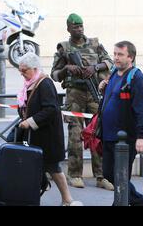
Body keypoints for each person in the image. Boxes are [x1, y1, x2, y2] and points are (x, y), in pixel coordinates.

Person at [50, 13, 114, 190]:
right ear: (68, 28)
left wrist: (95, 67)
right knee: (75, 135)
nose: (79, 29)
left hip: (94, 93)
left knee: (98, 133)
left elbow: (109, 62)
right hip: (75, 95)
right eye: (75, 27)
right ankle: (75, 174)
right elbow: (54, 75)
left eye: (81, 26)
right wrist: (66, 69)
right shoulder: (64, 48)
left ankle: (102, 176)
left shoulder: (95, 44)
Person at [17, 52, 83, 206]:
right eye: (20, 70)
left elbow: (51, 109)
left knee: (53, 167)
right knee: (38, 167)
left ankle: (67, 199)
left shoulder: (45, 84)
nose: (22, 74)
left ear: (34, 68)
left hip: (47, 136)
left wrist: (30, 121)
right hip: (36, 135)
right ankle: (38, 197)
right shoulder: (31, 83)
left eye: (24, 70)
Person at [99, 41, 143, 206]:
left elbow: (142, 110)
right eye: (114, 54)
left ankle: (125, 202)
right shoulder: (114, 73)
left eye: (120, 55)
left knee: (121, 176)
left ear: (131, 57)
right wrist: (103, 89)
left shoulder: (137, 78)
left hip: (125, 139)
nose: (116, 58)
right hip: (108, 135)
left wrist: (141, 136)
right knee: (109, 173)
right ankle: (138, 201)